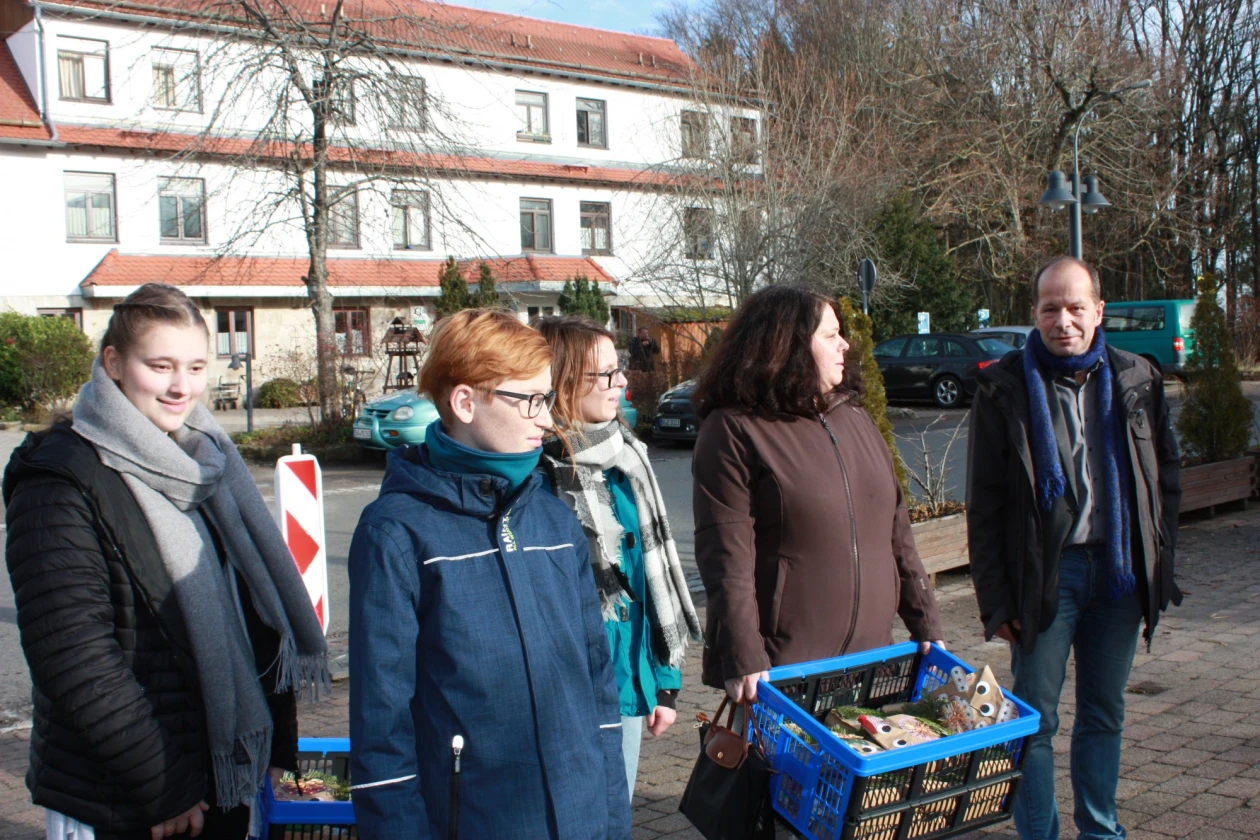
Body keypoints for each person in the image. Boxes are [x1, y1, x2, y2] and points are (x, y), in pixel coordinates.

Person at [3, 283, 328, 840]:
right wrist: (162, 787)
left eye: (196, 366)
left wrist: (278, 741)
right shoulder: (59, 478)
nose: (182, 387)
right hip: (127, 796)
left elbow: (256, 611)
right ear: (114, 363)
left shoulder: (207, 459)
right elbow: (76, 659)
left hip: (220, 775)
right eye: (160, 365)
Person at [347, 309, 632, 840]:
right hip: (472, 818)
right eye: (529, 400)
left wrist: (612, 819)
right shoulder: (396, 534)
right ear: (464, 401)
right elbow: (381, 724)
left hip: (579, 814)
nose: (547, 420)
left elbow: (596, 687)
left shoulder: (553, 517)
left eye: (548, 399)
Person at [966, 256, 1181, 840]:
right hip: (1044, 581)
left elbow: (1165, 479)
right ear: (1034, 313)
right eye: (1050, 308)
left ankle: (1101, 830)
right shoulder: (1003, 387)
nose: (1063, 320)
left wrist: (1160, 560)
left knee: (1103, 715)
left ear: (1098, 311)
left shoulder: (1138, 377)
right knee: (1034, 721)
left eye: (1075, 307)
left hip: (1119, 578)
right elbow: (984, 506)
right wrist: (996, 598)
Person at [692, 285, 944, 704]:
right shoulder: (734, 429)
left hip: (871, 661)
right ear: (787, 346)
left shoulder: (856, 417)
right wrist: (742, 653)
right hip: (783, 668)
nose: (845, 344)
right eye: (830, 335)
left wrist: (927, 626)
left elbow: (897, 534)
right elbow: (725, 554)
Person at [534, 315, 702, 799]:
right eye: (606, 373)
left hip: (625, 685)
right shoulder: (538, 475)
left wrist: (663, 682)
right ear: (563, 381)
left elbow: (651, 581)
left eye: (619, 367)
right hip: (564, 695)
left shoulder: (625, 456)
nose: (622, 381)